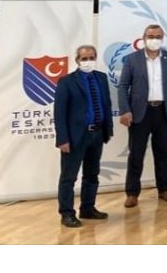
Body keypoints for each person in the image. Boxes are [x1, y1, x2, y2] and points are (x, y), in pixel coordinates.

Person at [118, 24, 167, 208]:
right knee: (136, 154)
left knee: (162, 152)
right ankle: (132, 193)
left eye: (158, 36)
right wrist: (125, 110)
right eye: (151, 36)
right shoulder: (132, 59)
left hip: (164, 112)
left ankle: (164, 189)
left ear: (162, 38)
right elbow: (123, 86)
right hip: (140, 113)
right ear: (144, 38)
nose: (154, 39)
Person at [54, 45, 113, 228]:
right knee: (68, 177)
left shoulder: (102, 78)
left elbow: (106, 104)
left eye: (91, 57)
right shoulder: (66, 81)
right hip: (75, 137)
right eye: (84, 58)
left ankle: (88, 208)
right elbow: (59, 113)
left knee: (92, 174)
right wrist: (62, 139)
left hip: (97, 134)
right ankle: (67, 213)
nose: (88, 61)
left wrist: (108, 129)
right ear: (77, 60)